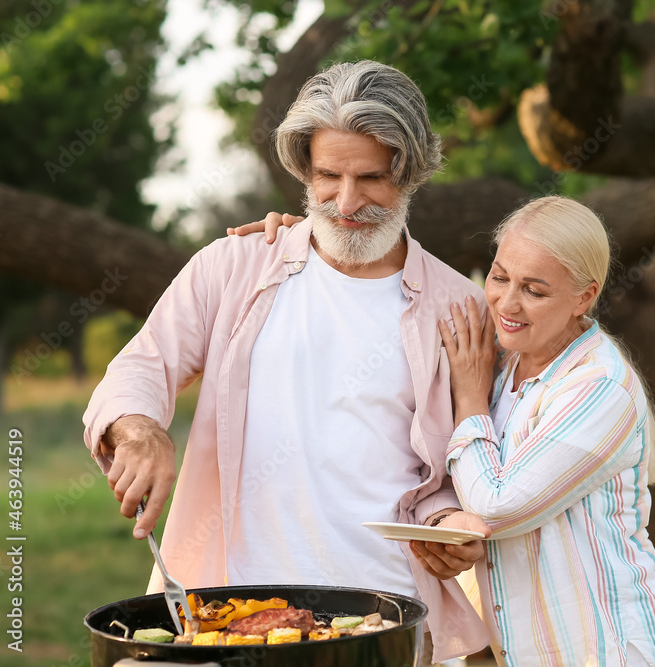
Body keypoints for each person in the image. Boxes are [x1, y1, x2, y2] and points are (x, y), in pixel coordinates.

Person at [82, 60, 491, 662]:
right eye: (329, 175)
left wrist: (455, 524)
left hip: (388, 619)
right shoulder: (235, 266)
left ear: (412, 174)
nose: (347, 202)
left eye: (372, 179)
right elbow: (141, 367)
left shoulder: (460, 306)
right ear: (304, 170)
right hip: (231, 611)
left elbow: (465, 462)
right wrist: (138, 428)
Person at [438, 196, 655, 666]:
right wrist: (298, 239)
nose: (507, 303)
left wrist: (470, 400)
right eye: (499, 277)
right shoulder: (500, 357)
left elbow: (497, 505)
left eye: (534, 290)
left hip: (608, 649)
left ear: (584, 296)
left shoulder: (599, 387)